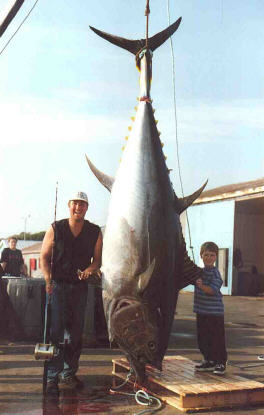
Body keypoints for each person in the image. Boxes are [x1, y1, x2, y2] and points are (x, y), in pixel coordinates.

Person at [40, 191, 103, 395]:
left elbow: (97, 261)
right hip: (57, 287)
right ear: (69, 205)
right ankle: (52, 376)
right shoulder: (55, 228)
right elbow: (43, 257)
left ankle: (69, 373)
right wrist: (48, 280)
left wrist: (89, 271)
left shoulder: (95, 231)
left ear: (87, 207)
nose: (78, 207)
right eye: (75, 203)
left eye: (82, 204)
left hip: (79, 288)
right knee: (55, 333)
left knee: (75, 334)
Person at [194, 241, 227, 375]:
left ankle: (220, 362)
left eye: (212, 255)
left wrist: (201, 286)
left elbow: (212, 290)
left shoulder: (216, 274)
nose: (208, 258)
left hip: (214, 313)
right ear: (201, 255)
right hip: (201, 311)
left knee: (217, 338)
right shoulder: (198, 272)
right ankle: (209, 360)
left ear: (216, 257)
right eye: (206, 255)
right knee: (203, 338)